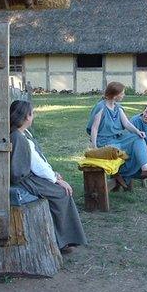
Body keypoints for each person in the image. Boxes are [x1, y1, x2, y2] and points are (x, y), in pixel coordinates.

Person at [9, 100, 87, 253]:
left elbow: (39, 160)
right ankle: (61, 241)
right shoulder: (19, 137)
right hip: (25, 180)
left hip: (30, 176)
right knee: (61, 193)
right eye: (31, 114)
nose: (33, 117)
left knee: (60, 191)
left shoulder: (24, 134)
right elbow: (36, 165)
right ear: (25, 117)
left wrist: (53, 175)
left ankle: (62, 238)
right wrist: (56, 180)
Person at [86, 82, 147, 191]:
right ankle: (124, 175)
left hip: (117, 138)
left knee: (138, 138)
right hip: (105, 142)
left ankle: (145, 169)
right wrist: (94, 146)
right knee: (119, 152)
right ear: (115, 95)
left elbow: (126, 124)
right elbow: (94, 128)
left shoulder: (117, 107)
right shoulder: (101, 107)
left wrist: (138, 131)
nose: (123, 95)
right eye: (122, 93)